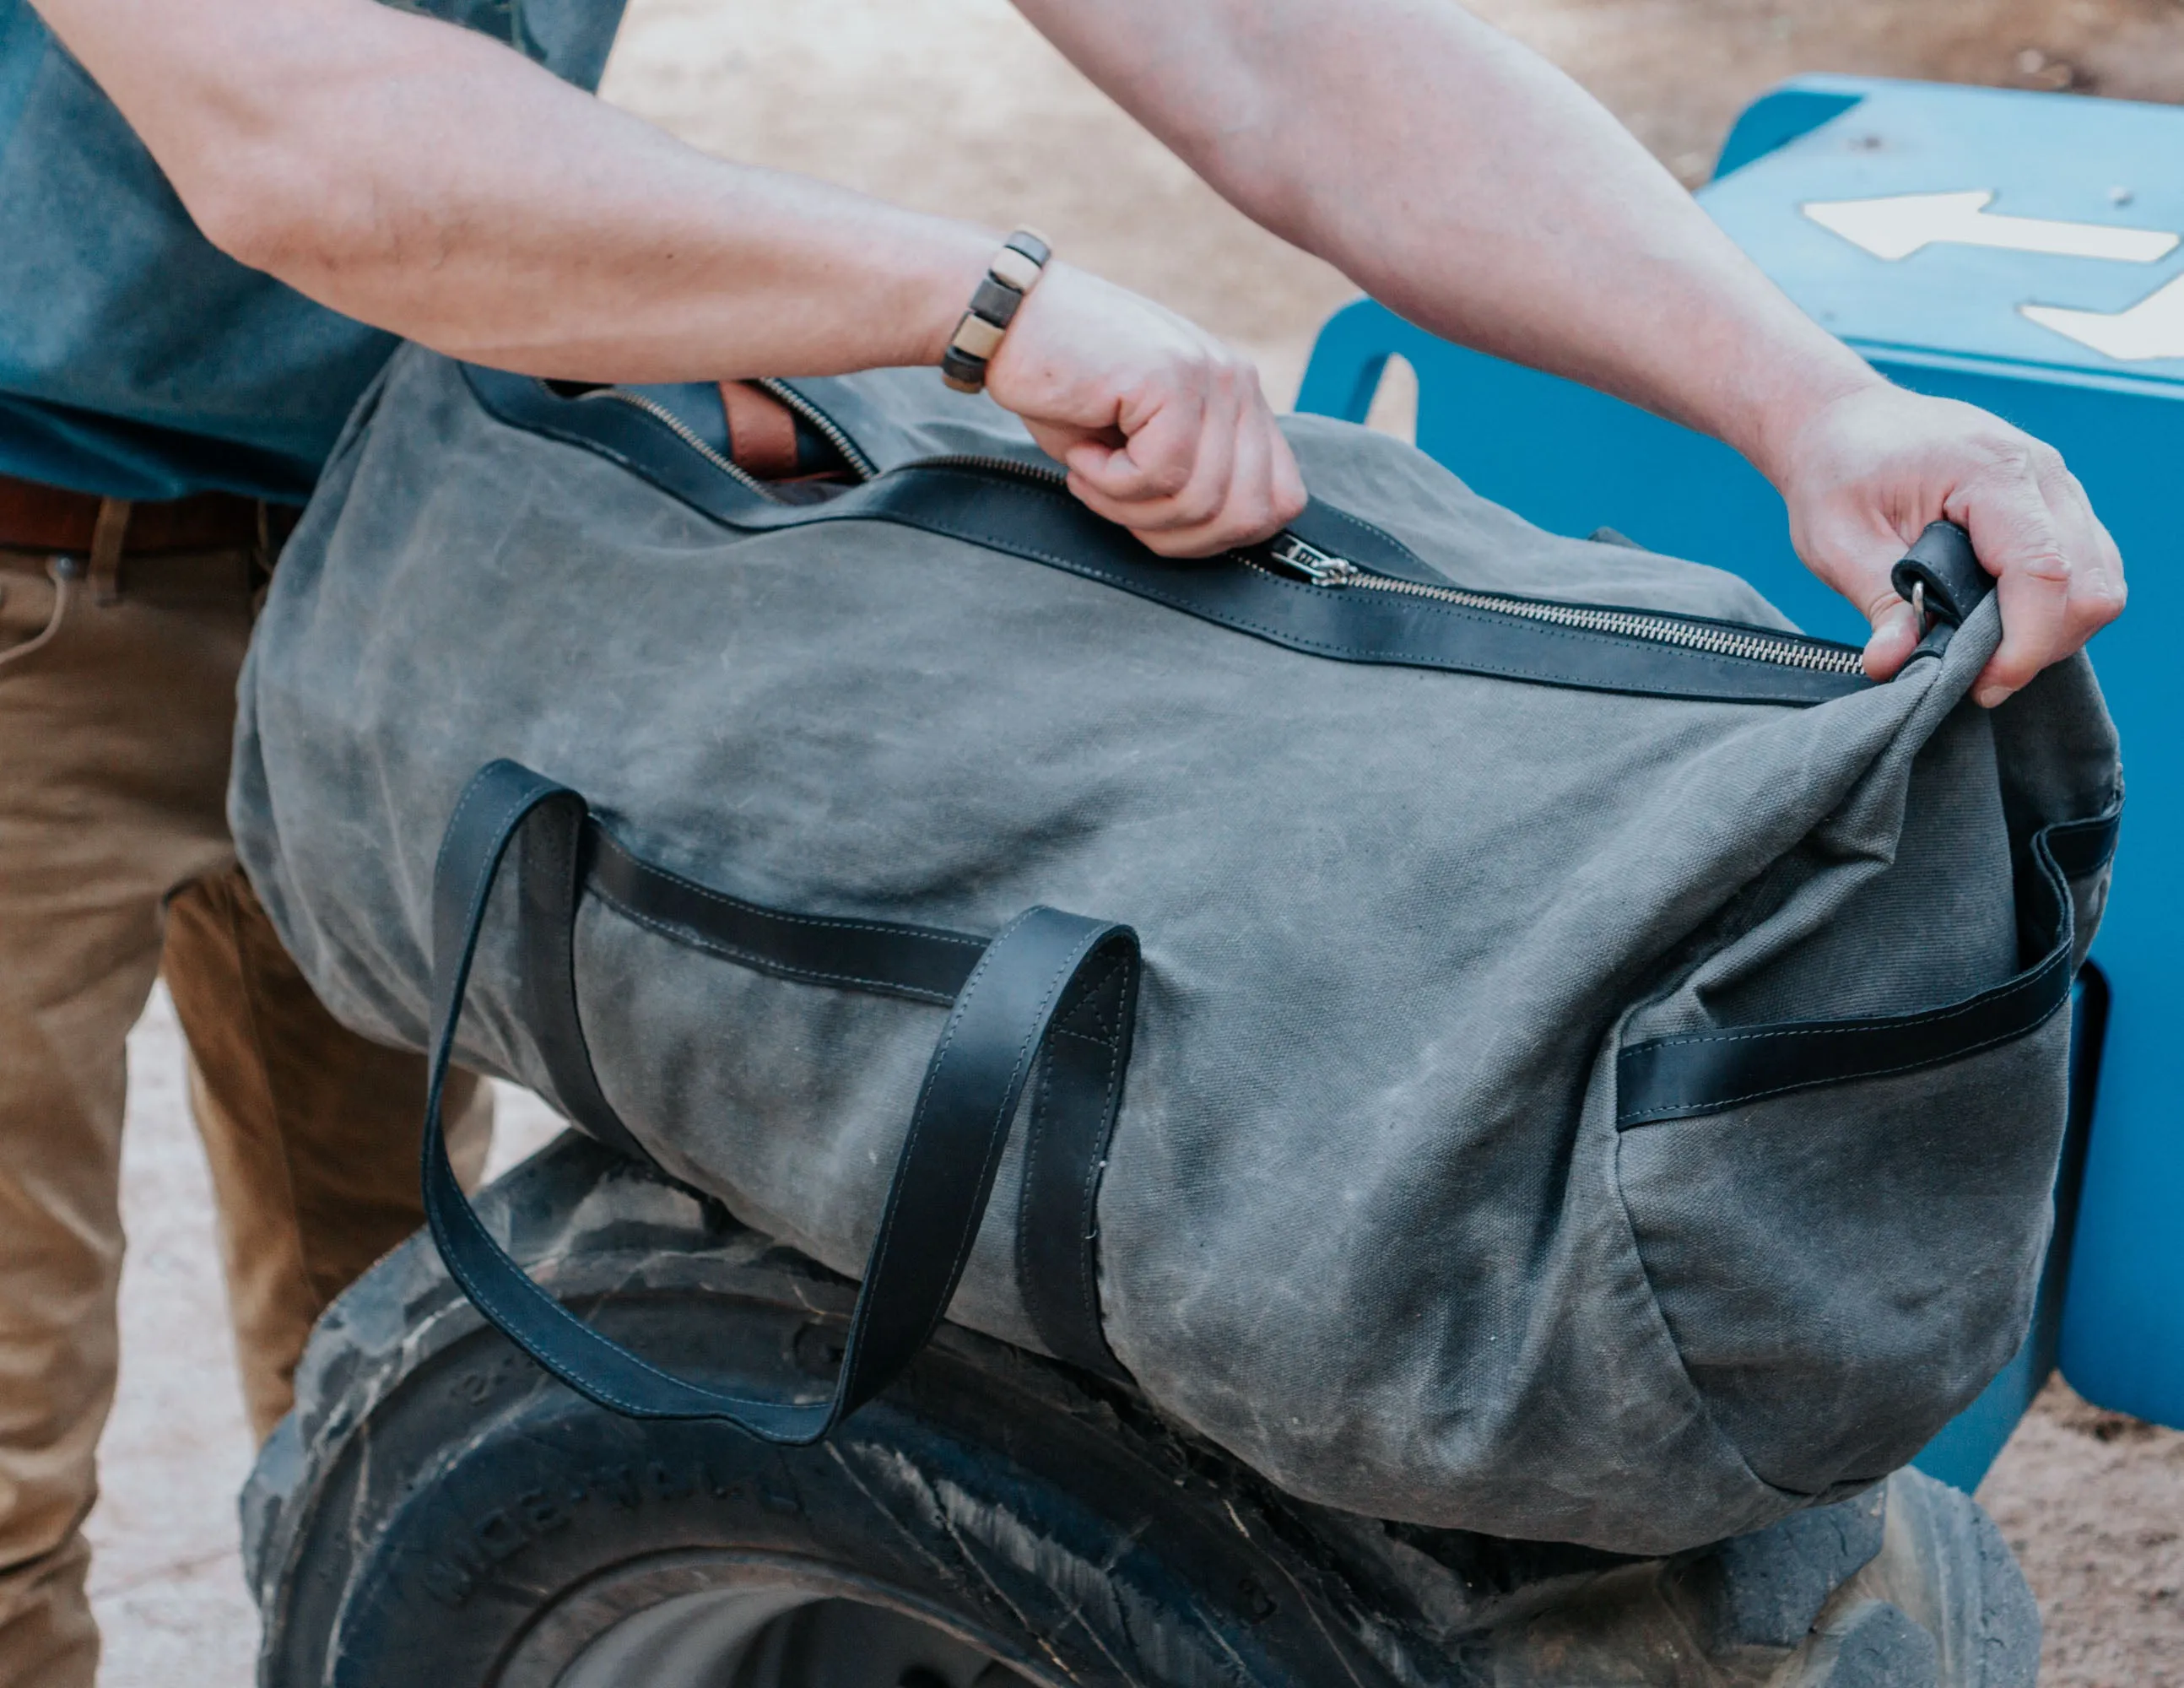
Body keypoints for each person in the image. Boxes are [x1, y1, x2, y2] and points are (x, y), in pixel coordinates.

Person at [0, 0, 2126, 1678]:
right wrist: (986, 298)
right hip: (39, 574)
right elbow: (294, 128)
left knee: (411, 1373)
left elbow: (1281, 44)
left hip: (431, 517)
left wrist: (1804, 399)